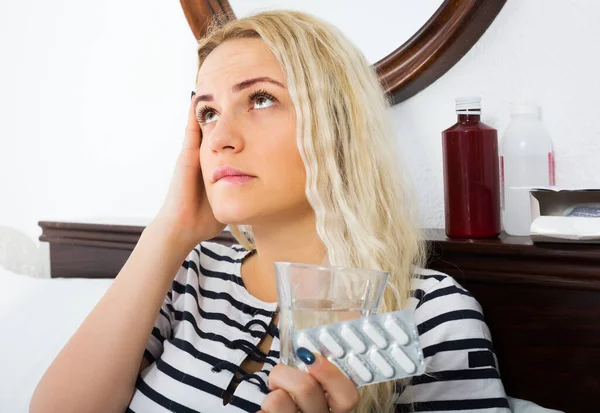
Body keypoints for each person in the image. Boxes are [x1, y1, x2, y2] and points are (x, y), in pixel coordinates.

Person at [30, 10, 509, 413]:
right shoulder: (191, 277)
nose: (219, 138)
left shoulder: (425, 312)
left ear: (336, 125)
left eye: (260, 99)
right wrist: (168, 231)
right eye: (207, 112)